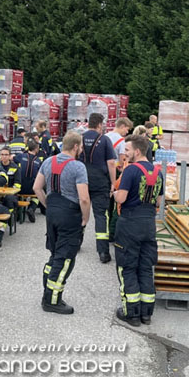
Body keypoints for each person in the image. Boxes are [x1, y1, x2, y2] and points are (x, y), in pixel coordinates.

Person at [34, 132, 91, 314]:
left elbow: (37, 187)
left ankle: (47, 291)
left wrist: (47, 205)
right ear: (75, 146)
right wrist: (85, 218)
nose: (81, 150)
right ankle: (52, 300)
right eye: (80, 147)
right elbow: (83, 198)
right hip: (70, 214)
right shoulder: (78, 167)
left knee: (55, 254)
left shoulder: (48, 162)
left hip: (52, 212)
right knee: (65, 258)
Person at [113, 135, 164, 327]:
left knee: (127, 266)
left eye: (127, 150)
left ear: (137, 151)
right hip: (148, 224)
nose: (124, 154)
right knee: (145, 267)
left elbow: (122, 198)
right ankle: (146, 313)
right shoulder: (157, 172)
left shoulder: (131, 170)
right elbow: (159, 202)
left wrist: (115, 193)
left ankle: (131, 313)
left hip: (129, 224)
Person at [80, 113, 117, 264]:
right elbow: (111, 163)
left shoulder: (80, 138)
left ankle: (76, 243)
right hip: (101, 182)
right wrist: (113, 183)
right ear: (100, 124)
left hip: (82, 180)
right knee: (101, 216)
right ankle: (103, 252)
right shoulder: (105, 140)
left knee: (79, 211)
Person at [105, 118, 133, 242]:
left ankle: (105, 229)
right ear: (122, 126)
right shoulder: (121, 141)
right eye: (127, 129)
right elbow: (122, 160)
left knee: (107, 204)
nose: (127, 132)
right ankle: (112, 233)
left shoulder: (105, 136)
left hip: (103, 170)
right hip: (115, 171)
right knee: (116, 203)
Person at [18, 139, 43, 222]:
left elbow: (11, 158)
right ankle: (31, 208)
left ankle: (19, 212)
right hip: (32, 188)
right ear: (36, 149)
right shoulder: (38, 161)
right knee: (38, 193)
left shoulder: (21, 156)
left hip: (20, 188)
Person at [0, 146, 21, 212]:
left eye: (6, 155)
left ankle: (10, 217)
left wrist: (9, 191)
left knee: (9, 199)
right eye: (2, 154)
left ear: (10, 156)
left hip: (11, 194)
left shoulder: (15, 167)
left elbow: (17, 184)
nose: (4, 156)